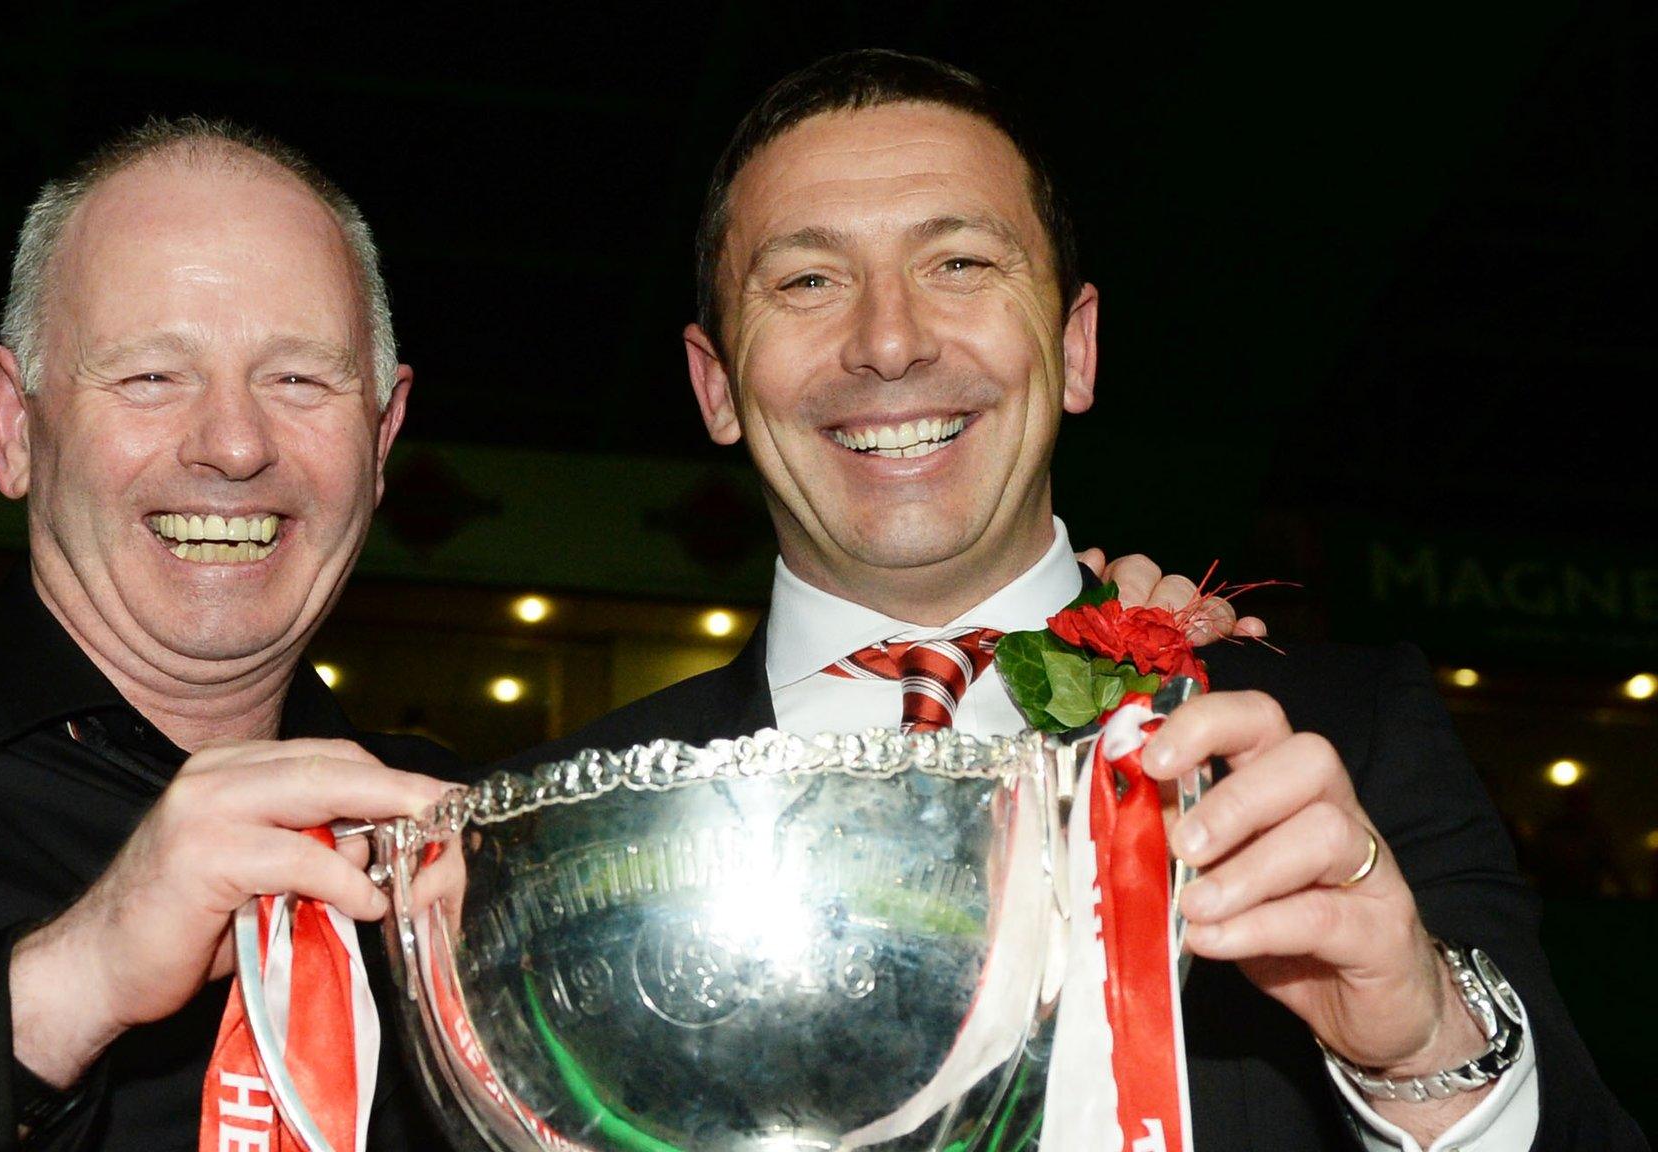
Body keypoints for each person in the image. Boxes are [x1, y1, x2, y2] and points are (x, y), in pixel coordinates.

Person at [0, 115, 1215, 1150]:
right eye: (149, 376)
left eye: (299, 381)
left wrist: (1074, 661)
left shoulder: (481, 835)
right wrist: (79, 973)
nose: (232, 447)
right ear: (12, 422)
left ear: (385, 437)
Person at [506, 51, 1646, 1152]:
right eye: (807, 280)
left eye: (957, 263)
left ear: (1075, 346)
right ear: (715, 384)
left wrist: (1421, 1049)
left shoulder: (1344, 740)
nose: (889, 341)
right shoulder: (548, 827)